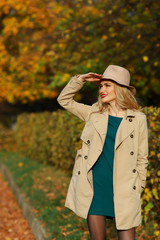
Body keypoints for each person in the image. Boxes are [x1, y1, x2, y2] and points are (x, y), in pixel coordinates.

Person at [57, 65, 149, 240]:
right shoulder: (94, 113)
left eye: (108, 85)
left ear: (121, 89)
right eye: (101, 86)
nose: (102, 90)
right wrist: (80, 80)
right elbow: (64, 100)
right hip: (95, 186)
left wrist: (138, 187)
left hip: (125, 187)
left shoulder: (137, 119)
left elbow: (142, 157)